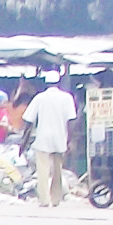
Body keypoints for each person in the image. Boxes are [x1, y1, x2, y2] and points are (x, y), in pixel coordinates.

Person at [24, 75, 78, 206]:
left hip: (42, 138)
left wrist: (23, 141)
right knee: (57, 170)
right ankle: (56, 199)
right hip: (60, 137)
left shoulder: (39, 98)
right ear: (59, 83)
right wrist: (69, 139)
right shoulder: (67, 98)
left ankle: (44, 200)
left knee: (42, 170)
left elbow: (29, 121)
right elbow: (71, 121)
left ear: (46, 83)